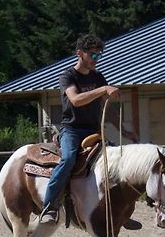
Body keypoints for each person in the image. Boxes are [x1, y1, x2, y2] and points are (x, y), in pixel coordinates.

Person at [40, 34, 138, 224]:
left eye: (98, 56)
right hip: (72, 130)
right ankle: (49, 206)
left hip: (93, 131)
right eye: (92, 55)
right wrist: (103, 90)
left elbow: (106, 111)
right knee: (68, 159)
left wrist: (124, 131)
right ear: (79, 53)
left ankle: (122, 211)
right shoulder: (68, 76)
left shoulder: (98, 77)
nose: (96, 59)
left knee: (116, 161)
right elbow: (75, 100)